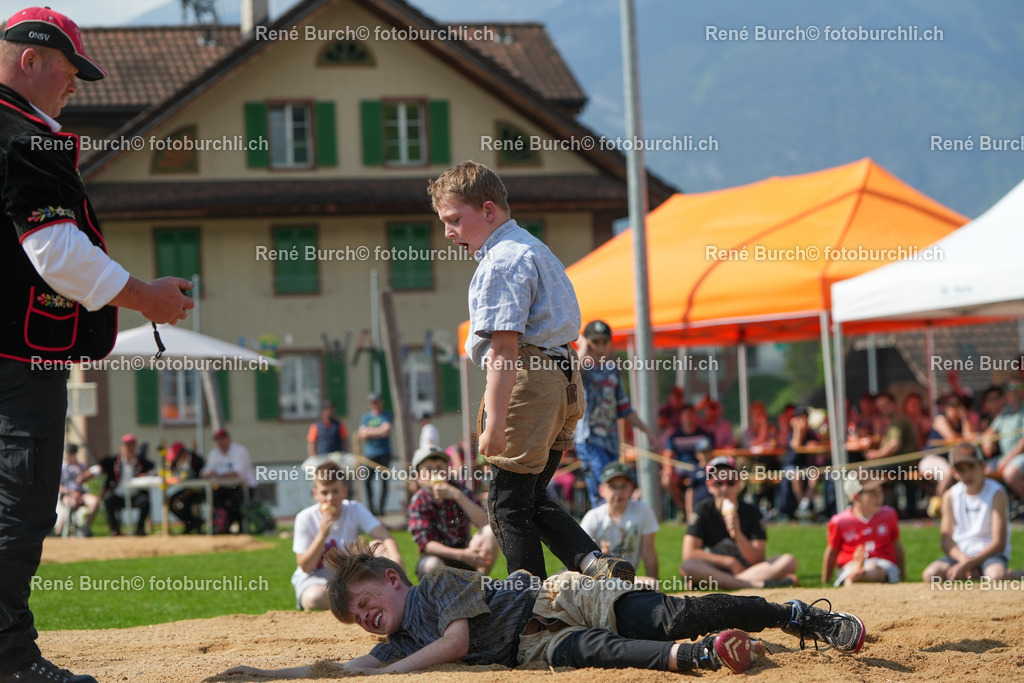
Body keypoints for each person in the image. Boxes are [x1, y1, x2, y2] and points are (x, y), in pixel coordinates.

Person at [0, 7, 194, 680]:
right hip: (16, 357)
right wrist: (147, 296)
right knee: (17, 503)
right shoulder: (20, 135)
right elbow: (56, 252)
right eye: (70, 71)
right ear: (30, 60)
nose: (75, 86)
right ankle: (10, 659)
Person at [220, 539, 866, 678]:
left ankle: (793, 615)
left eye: (364, 603)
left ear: (391, 579)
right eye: (355, 615)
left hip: (555, 594)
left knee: (671, 612)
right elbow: (348, 667)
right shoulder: (393, 641)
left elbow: (451, 643)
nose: (364, 618)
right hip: (526, 646)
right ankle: (702, 658)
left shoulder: (433, 583)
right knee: (595, 655)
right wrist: (267, 676)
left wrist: (390, 671)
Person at [429, 160, 629, 582]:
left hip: (531, 380)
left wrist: (495, 424)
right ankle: (595, 563)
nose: (448, 232)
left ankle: (528, 609)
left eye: (453, 220)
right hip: (564, 379)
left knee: (504, 504)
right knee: (531, 496)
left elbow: (504, 349)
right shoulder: (534, 247)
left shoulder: (501, 260)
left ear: (488, 210)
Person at [292, 461, 401, 611]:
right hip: (316, 579)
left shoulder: (354, 509)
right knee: (314, 598)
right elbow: (305, 566)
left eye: (335, 491)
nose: (330, 498)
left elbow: (384, 536)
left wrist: (396, 560)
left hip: (347, 576)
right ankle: (358, 600)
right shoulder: (305, 518)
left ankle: (393, 595)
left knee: (379, 546)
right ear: (315, 494)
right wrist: (322, 535)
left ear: (344, 491)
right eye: (325, 492)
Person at [574, 319, 658, 509]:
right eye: (595, 341)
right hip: (589, 441)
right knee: (604, 491)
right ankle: (598, 536)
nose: (600, 347)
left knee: (615, 490)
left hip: (611, 442)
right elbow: (575, 370)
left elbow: (625, 408)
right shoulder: (582, 367)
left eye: (605, 342)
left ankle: (611, 536)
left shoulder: (612, 370)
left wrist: (647, 431)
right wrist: (583, 346)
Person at [679, 456, 798, 590]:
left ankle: (724, 583)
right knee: (687, 566)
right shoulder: (702, 510)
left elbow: (757, 558)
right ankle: (753, 584)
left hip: (746, 569)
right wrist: (729, 562)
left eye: (730, 482)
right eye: (718, 483)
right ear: (709, 486)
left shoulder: (752, 512)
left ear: (739, 482)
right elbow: (689, 553)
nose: (725, 489)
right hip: (714, 568)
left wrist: (738, 534)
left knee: (789, 561)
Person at [922, 443, 1021, 582]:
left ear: (983, 467)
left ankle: (1011, 574)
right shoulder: (950, 496)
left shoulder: (996, 493)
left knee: (994, 577)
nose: (967, 474)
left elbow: (999, 543)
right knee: (931, 574)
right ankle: (992, 573)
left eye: (971, 467)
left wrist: (968, 564)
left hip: (990, 554)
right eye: (961, 469)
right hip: (961, 554)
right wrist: (964, 561)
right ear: (954, 473)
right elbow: (946, 541)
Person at [407, 446, 498, 579]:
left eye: (439, 467)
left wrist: (457, 496)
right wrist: (462, 555)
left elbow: (485, 522)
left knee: (489, 533)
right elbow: (425, 543)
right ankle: (440, 596)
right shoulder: (419, 500)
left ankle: (478, 585)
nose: (435, 472)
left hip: (466, 548)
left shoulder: (459, 490)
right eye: (429, 469)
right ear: (419, 477)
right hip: (439, 556)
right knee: (430, 565)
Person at [580, 462, 659, 587]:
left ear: (631, 488)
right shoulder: (593, 517)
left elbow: (648, 552)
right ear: (602, 490)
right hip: (596, 581)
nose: (618, 492)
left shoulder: (643, 510)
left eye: (623, 486)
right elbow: (581, 556)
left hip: (628, 579)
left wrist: (657, 588)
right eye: (613, 487)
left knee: (652, 584)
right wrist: (600, 557)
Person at [822, 471, 905, 587]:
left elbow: (897, 546)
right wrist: (825, 581)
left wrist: (903, 575)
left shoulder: (889, 515)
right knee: (852, 570)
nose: (879, 496)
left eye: (880, 490)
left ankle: (859, 574)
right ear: (855, 496)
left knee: (874, 568)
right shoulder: (839, 521)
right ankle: (858, 573)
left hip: (882, 564)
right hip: (850, 564)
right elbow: (832, 552)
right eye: (872, 492)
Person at [94, 434, 155, 536]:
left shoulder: (142, 463)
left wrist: (146, 475)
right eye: (127, 446)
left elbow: (153, 472)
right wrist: (84, 477)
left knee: (145, 501)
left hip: (135, 496)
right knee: (108, 499)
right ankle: (114, 530)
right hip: (118, 496)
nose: (130, 449)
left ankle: (140, 529)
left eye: (132, 445)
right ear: (122, 447)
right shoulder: (113, 461)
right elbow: (97, 469)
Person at [661, 403, 714, 517]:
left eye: (690, 415)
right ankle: (683, 508)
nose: (688, 419)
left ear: (695, 417)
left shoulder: (704, 434)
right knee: (666, 480)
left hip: (699, 469)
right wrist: (668, 469)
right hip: (681, 470)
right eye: (685, 416)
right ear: (681, 418)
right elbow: (668, 455)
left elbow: (711, 454)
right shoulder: (675, 436)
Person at [201, 428, 257, 533]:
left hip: (245, 487)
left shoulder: (239, 451)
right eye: (217, 440)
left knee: (236, 504)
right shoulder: (214, 453)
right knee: (212, 499)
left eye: (222, 439)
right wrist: (208, 474)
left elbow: (236, 474)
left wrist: (217, 474)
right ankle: (222, 527)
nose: (220, 442)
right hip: (225, 487)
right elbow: (207, 471)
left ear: (228, 439)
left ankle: (240, 528)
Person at [356, 393, 393, 516]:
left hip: (384, 453)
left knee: (384, 482)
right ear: (369, 404)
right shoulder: (366, 417)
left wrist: (369, 432)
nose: (375, 404)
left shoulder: (386, 415)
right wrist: (378, 431)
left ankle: (381, 509)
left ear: (381, 402)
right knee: (367, 481)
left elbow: (386, 431)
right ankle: (371, 509)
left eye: (377, 401)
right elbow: (362, 434)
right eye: (372, 402)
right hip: (370, 454)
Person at [55, 445, 98, 537]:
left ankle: (84, 528)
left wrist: (81, 474)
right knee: (72, 504)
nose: (72, 455)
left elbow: (85, 480)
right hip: (68, 494)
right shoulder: (62, 467)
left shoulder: (81, 466)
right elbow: (58, 486)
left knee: (94, 501)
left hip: (81, 493)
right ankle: (61, 531)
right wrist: (70, 493)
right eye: (71, 453)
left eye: (74, 453)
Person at [165, 442, 205, 534]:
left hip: (199, 490)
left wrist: (182, 496)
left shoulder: (197, 461)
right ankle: (192, 523)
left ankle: (194, 523)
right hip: (187, 488)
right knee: (170, 501)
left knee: (182, 503)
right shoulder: (179, 463)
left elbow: (199, 482)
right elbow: (169, 471)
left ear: (183, 453)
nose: (176, 462)